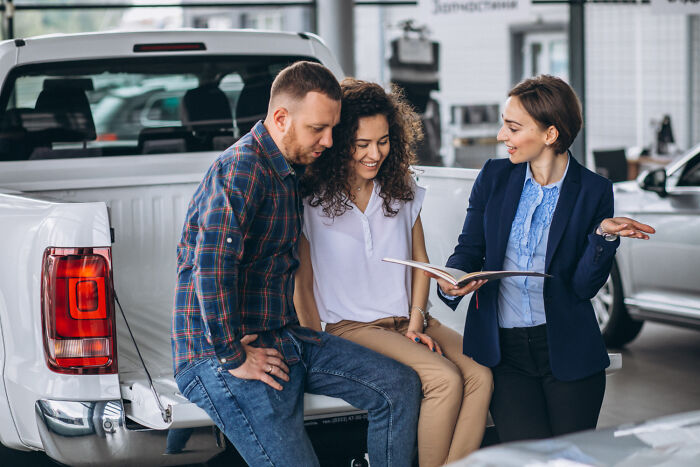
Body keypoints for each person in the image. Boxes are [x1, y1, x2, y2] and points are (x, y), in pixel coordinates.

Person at [172, 62, 421, 467]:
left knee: (400, 385)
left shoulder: (290, 170)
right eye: (317, 129)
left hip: (282, 338)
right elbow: (212, 266)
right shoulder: (242, 170)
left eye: (333, 129)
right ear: (281, 118)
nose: (328, 140)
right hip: (218, 353)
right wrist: (233, 354)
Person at [434, 74, 655, 443]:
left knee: (571, 460)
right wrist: (453, 279)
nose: (502, 136)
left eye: (513, 127)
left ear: (550, 134)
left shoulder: (593, 191)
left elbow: (583, 287)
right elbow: (469, 247)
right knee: (526, 457)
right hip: (505, 355)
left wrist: (603, 238)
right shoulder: (494, 176)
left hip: (567, 351)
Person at [295, 78, 493, 467]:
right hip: (350, 326)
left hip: (410, 318)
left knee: (480, 374)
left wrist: (417, 322)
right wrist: (313, 341)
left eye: (383, 141)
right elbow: (301, 281)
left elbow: (420, 262)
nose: (375, 154)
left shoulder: (401, 187)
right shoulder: (309, 199)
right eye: (362, 144)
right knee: (443, 379)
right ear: (338, 141)